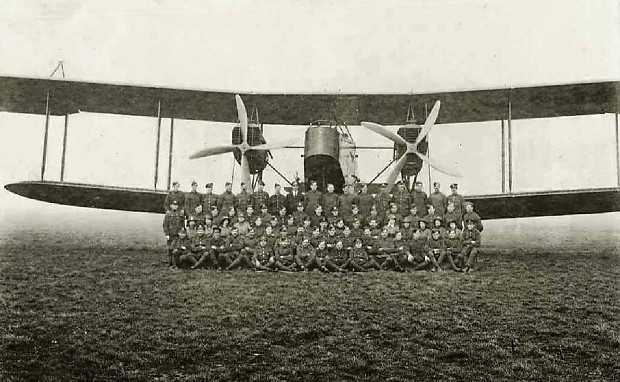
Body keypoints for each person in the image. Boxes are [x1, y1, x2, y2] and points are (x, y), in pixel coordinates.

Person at [163, 200, 185, 266]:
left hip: (178, 235)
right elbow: (165, 225)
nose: (175, 206)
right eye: (173, 205)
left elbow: (182, 224)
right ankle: (170, 262)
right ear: (171, 206)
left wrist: (182, 232)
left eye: (176, 205)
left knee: (177, 248)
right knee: (170, 248)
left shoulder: (181, 214)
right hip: (171, 234)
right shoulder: (168, 214)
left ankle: (176, 262)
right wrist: (167, 234)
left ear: (178, 206)